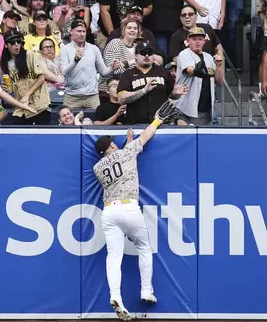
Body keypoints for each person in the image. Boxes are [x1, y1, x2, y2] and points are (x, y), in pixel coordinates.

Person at [93, 117, 167, 320]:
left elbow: (115, 163)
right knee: (143, 248)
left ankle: (115, 295)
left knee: (113, 256)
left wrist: (125, 145)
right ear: (111, 145)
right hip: (129, 208)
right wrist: (157, 122)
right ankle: (146, 291)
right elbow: (145, 137)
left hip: (108, 212)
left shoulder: (97, 168)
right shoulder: (126, 152)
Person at [119, 41, 186, 124]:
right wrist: (143, 91)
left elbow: (171, 95)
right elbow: (121, 98)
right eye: (143, 53)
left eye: (149, 53)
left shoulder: (163, 72)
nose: (146, 56)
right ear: (135, 56)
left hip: (161, 124)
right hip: (136, 124)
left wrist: (176, 93)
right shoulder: (128, 74)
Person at [60, 20, 120, 109]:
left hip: (92, 96)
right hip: (71, 97)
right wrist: (75, 60)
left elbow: (103, 72)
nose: (82, 34)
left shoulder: (94, 49)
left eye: (83, 31)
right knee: (69, 122)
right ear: (71, 31)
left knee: (96, 121)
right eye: (79, 31)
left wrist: (111, 68)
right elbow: (64, 72)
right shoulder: (65, 49)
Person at [173, 27, 224, 125]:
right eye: (194, 39)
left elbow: (219, 80)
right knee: (186, 138)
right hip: (185, 107)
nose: (197, 42)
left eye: (200, 39)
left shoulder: (208, 57)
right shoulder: (184, 54)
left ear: (204, 41)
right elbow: (190, 71)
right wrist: (199, 70)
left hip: (204, 108)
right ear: (188, 41)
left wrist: (219, 66)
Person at [0, 29, 51, 125]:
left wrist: (27, 95)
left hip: (39, 104)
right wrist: (4, 88)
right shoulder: (3, 63)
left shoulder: (30, 55)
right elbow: (10, 89)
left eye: (18, 41)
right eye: (12, 42)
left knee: (42, 137)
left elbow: (41, 78)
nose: (16, 44)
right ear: (6, 45)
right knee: (18, 136)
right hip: (21, 106)